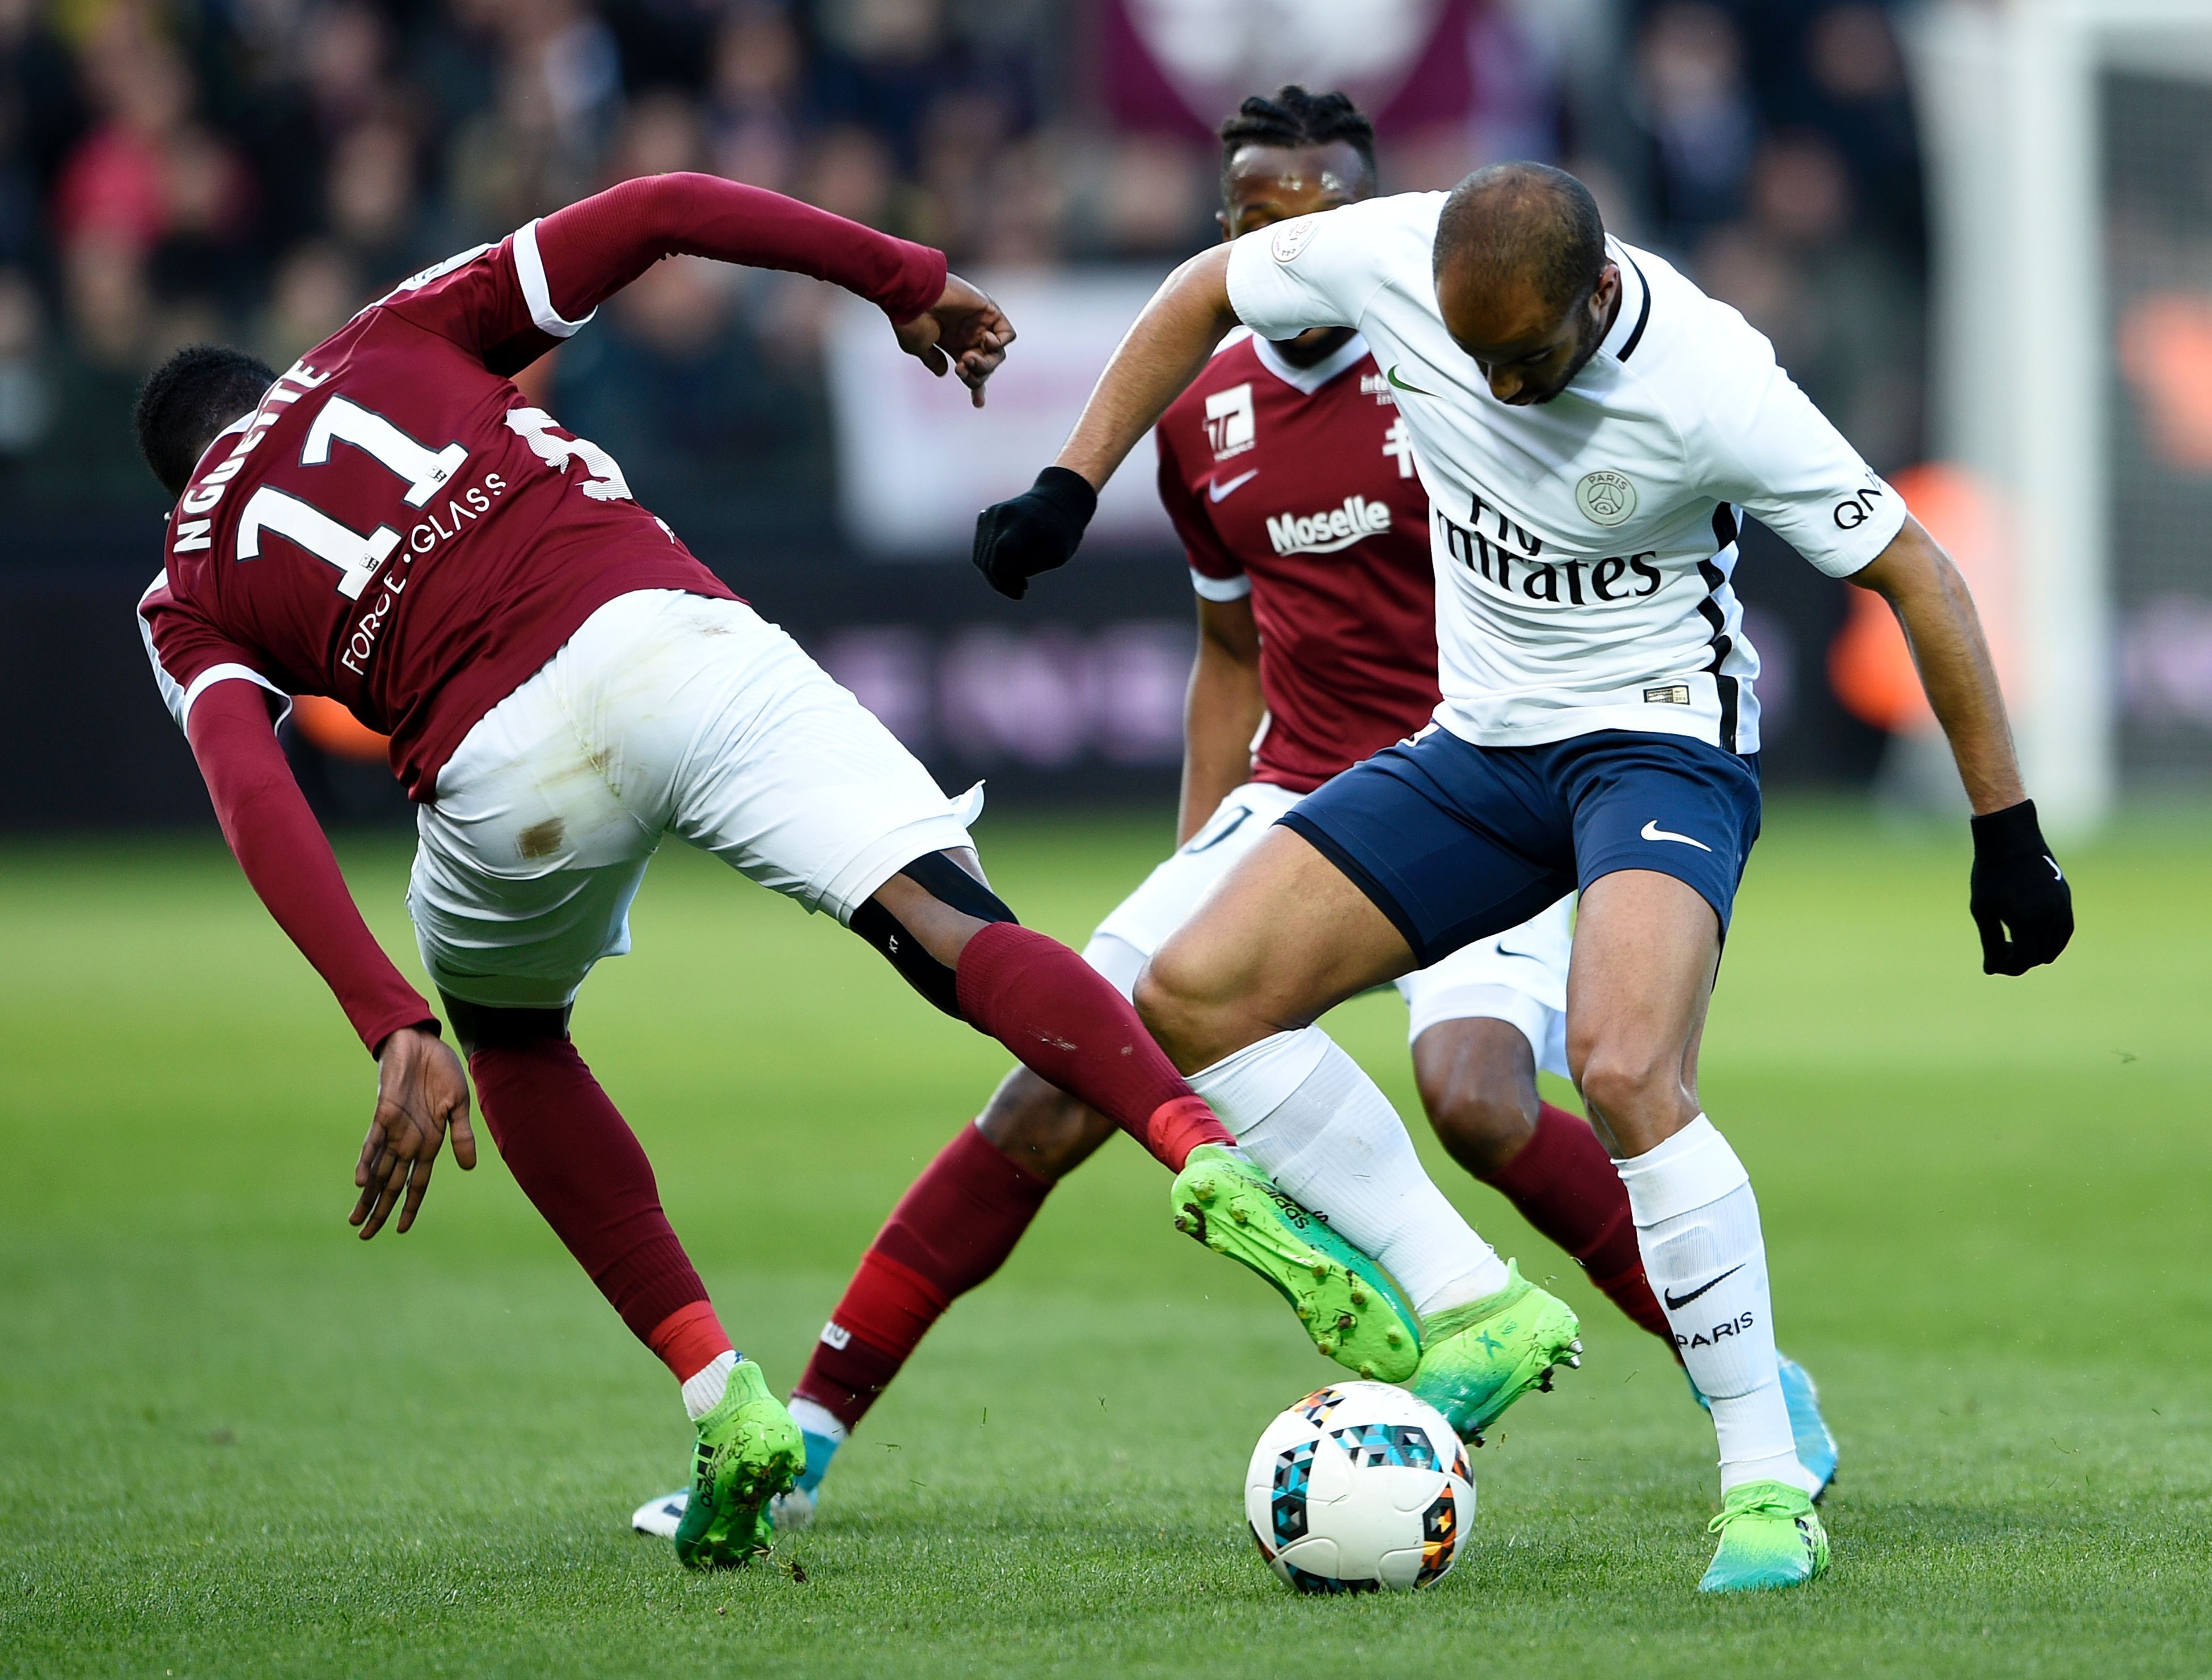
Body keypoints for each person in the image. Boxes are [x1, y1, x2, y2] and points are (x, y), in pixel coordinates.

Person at [128, 171, 1427, 1571]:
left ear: (183, 473)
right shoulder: (386, 336)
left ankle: (718, 1390)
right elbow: (660, 207)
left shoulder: (184, 581)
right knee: (939, 917)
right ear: (274, 383)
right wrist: (904, 275)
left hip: (498, 772)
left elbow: (251, 787)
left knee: (509, 1035)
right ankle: (1200, 1149)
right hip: (662, 632)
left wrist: (388, 1013)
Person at [636, 87, 1834, 1543]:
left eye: (1309, 210)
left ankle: (1750, 1385)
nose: (1279, 237)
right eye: (1250, 216)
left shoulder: (1463, 356)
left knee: (1477, 1094)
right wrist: (1205, 844)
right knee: (1058, 1071)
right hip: (1299, 791)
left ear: (1380, 224)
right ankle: (814, 1427)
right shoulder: (1203, 420)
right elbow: (1226, 648)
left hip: (1490, 777)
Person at [970, 161, 2072, 1593]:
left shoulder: (1715, 381)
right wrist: (1072, 482)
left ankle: (1765, 1475)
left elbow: (1918, 572)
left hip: (1659, 749)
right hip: (1478, 744)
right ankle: (1473, 1297)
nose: (1494, 388)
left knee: (1621, 1069)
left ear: (1598, 296)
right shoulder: (1382, 254)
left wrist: (2007, 825)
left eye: (1528, 360)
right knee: (1192, 994)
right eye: (1469, 356)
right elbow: (1199, 291)